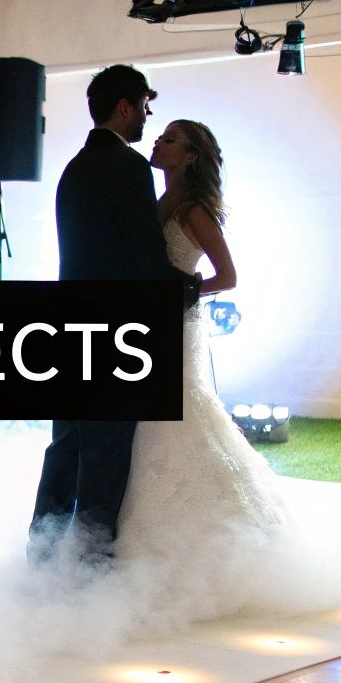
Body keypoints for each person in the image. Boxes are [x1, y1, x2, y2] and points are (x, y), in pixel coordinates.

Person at [106, 119, 320, 618]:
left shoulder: (194, 210)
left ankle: (212, 559)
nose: (158, 142)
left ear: (191, 157)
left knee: (179, 416)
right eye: (159, 135)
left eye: (170, 139)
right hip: (146, 325)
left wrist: (182, 290)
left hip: (176, 323)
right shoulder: (154, 201)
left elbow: (229, 275)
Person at [29, 67, 200, 567]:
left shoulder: (74, 168)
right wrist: (188, 288)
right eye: (145, 104)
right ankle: (90, 572)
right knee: (104, 456)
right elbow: (145, 258)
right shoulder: (127, 168)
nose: (149, 114)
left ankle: (41, 561)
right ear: (124, 107)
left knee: (66, 449)